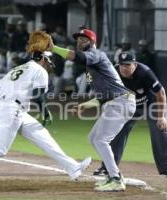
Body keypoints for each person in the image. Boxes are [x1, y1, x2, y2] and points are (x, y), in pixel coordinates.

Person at [0, 51, 92, 188]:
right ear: (43, 58)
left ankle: (73, 167)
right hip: (12, 110)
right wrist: (45, 111)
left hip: (10, 108)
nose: (50, 62)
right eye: (48, 59)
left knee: (42, 135)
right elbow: (37, 95)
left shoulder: (18, 69)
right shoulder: (40, 70)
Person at [49, 29, 136, 192]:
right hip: (116, 102)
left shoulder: (96, 54)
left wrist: (54, 48)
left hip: (121, 102)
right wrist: (84, 105)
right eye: (78, 39)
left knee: (101, 140)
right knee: (94, 138)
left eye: (84, 39)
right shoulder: (92, 68)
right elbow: (104, 96)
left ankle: (116, 179)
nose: (80, 41)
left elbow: (79, 57)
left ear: (93, 41)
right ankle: (115, 175)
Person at [93, 51, 167, 178]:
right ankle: (108, 168)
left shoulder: (144, 72)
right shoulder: (114, 73)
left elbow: (161, 92)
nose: (124, 68)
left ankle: (166, 169)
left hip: (150, 103)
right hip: (128, 105)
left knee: (160, 129)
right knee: (117, 131)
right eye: (121, 65)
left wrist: (162, 116)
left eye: (127, 65)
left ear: (135, 64)